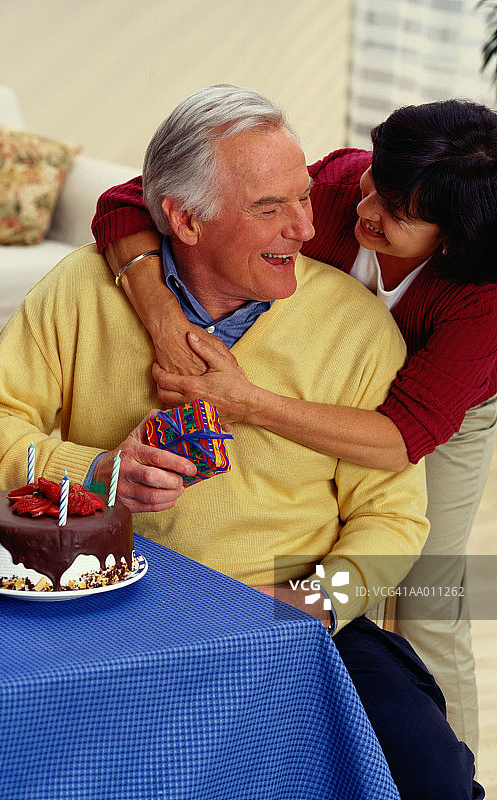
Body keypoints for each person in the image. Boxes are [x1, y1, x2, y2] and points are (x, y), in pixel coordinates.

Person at [0, 86, 482, 798]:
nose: (307, 230)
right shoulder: (82, 289)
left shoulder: (357, 327)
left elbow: (395, 519)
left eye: (306, 199)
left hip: (288, 606)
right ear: (184, 219)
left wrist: (319, 595)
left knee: (432, 775)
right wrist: (92, 471)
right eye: (269, 209)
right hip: (99, 601)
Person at [91, 97, 497, 757]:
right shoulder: (337, 189)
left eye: (395, 214)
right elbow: (133, 198)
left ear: (448, 238)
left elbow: (401, 437)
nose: (363, 212)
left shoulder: (481, 301)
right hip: (326, 365)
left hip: (432, 411)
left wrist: (246, 402)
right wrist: (164, 317)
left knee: (428, 593)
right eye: (375, 187)